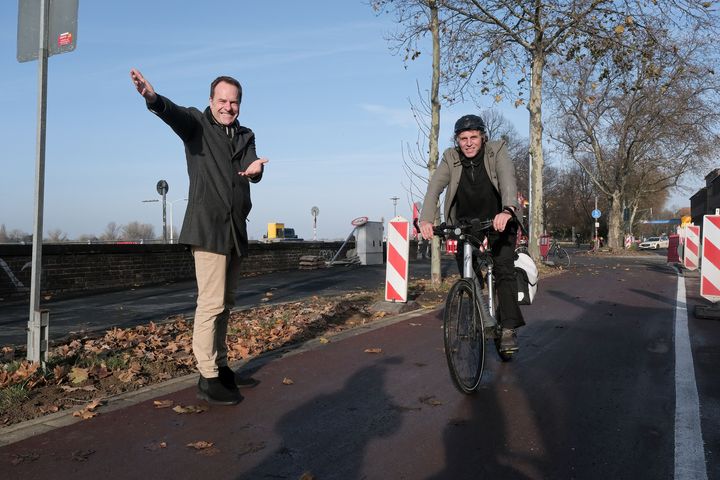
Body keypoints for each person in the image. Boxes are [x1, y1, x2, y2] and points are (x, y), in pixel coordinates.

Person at [130, 68, 268, 405]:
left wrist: (257, 170)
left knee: (227, 303)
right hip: (207, 228)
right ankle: (207, 376)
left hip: (235, 230)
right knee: (210, 304)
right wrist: (153, 98)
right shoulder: (197, 125)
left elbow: (252, 165)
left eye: (234, 102)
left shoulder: (245, 134)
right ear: (211, 101)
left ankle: (221, 366)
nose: (228, 107)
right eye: (222, 100)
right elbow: (173, 114)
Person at [419, 114, 524, 353]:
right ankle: (486, 320)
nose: (468, 143)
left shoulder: (496, 151)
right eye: (463, 138)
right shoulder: (450, 158)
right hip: (465, 224)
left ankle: (508, 329)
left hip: (499, 220)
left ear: (483, 137)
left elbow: (508, 180)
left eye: (473, 137)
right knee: (468, 273)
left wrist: (507, 210)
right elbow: (434, 188)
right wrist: (425, 219)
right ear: (457, 140)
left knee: (503, 269)